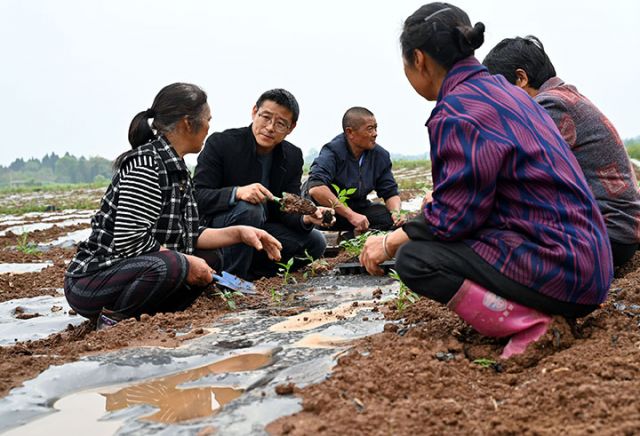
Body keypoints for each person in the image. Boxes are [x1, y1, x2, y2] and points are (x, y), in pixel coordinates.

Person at [359, 3, 613, 359]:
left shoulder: (458, 111)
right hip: (591, 262)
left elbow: (454, 219)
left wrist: (388, 243)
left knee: (416, 258)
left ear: (418, 59)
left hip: (562, 272)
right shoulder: (506, 92)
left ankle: (531, 324)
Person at [64, 83, 282, 328]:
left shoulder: (177, 168)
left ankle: (152, 313)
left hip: (138, 269)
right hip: (93, 281)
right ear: (188, 123)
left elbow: (188, 234)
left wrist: (240, 233)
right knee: (175, 264)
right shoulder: (146, 165)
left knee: (211, 258)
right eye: (207, 119)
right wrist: (186, 263)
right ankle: (114, 321)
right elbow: (130, 240)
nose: (210, 127)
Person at [482, 36, 640, 267]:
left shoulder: (550, 106)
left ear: (521, 78)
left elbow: (514, 173)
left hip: (608, 237)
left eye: (499, 93)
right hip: (617, 231)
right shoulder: (564, 97)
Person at [193, 89, 332, 280]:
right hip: (219, 228)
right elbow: (197, 196)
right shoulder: (222, 143)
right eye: (265, 117)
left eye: (281, 123)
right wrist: (236, 193)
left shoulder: (292, 156)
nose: (270, 127)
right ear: (254, 112)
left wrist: (307, 218)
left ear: (291, 128)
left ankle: (254, 273)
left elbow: (285, 206)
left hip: (263, 227)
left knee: (316, 242)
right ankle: (232, 280)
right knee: (250, 209)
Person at [305, 107, 404, 237]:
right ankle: (338, 236)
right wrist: (351, 215)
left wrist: (396, 214)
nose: (375, 133)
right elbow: (316, 188)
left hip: (357, 208)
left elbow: (390, 192)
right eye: (370, 129)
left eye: (376, 128)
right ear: (350, 132)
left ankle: (349, 236)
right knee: (322, 217)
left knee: (386, 217)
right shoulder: (333, 151)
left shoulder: (380, 155)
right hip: (330, 210)